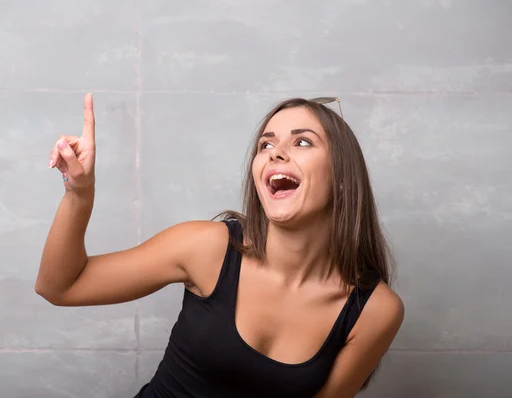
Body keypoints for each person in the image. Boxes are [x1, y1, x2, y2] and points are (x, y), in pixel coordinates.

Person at [36, 93, 405, 398]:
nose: (275, 152)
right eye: (266, 144)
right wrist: (79, 193)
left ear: (342, 178)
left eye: (302, 141)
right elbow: (60, 286)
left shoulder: (374, 311)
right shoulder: (207, 248)